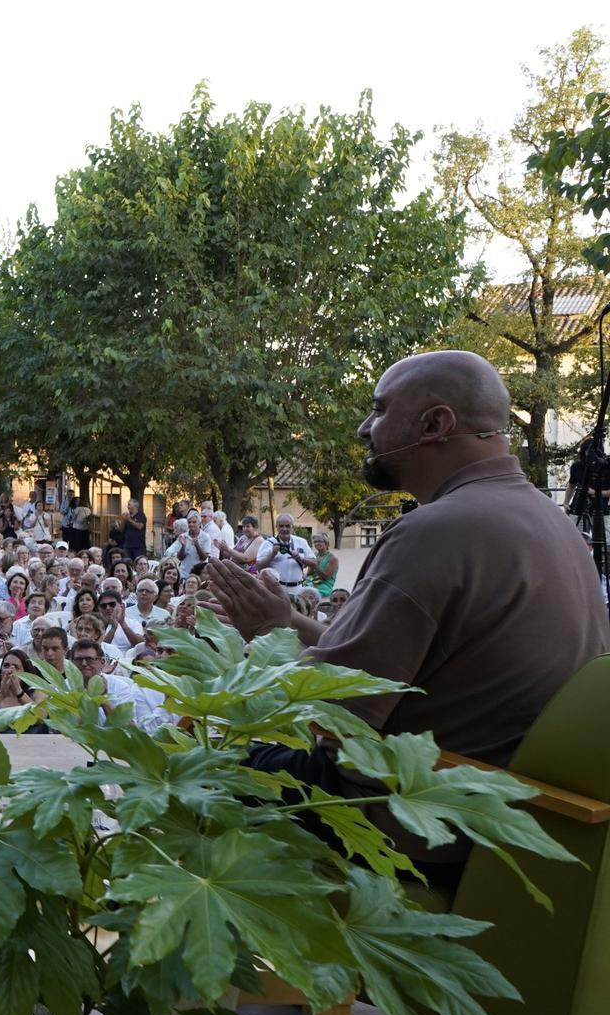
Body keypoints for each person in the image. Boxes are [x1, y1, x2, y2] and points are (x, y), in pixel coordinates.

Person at [202, 350, 610, 877]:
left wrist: (239, 666)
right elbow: (412, 668)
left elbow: (335, 717)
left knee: (190, 766)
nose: (363, 427)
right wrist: (283, 625)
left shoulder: (434, 533)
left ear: (436, 424)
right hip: (494, 821)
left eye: (379, 409)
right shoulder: (550, 523)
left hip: (407, 825)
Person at [254, 513, 317, 596]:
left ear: (292, 527)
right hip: (277, 589)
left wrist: (300, 558)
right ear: (276, 527)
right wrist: (272, 554)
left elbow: (314, 563)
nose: (284, 529)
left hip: (297, 589)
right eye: (281, 526)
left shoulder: (301, 542)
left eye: (287, 526)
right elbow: (258, 566)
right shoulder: (268, 543)